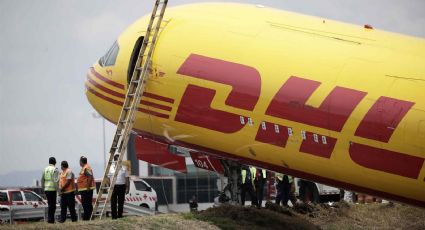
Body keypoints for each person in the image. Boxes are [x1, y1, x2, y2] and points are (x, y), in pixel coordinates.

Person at [108, 154, 130, 219]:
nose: (119, 161)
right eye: (117, 160)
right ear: (114, 160)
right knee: (113, 202)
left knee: (121, 202)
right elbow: (107, 178)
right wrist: (108, 187)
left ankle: (120, 215)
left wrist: (127, 188)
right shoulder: (110, 168)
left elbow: (127, 178)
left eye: (120, 160)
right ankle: (114, 217)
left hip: (122, 186)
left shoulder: (124, 167)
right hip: (113, 187)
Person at [41, 157, 59, 224]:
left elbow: (42, 180)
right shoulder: (55, 169)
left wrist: (43, 188)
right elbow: (55, 181)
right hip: (52, 189)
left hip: (46, 189)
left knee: (50, 205)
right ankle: (51, 220)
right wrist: (59, 191)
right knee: (53, 206)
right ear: (55, 162)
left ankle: (50, 219)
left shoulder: (45, 169)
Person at [77, 156, 95, 220]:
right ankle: (87, 217)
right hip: (84, 189)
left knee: (87, 203)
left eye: (79, 161)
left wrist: (87, 186)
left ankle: (88, 217)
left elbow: (90, 177)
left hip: (86, 189)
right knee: (85, 203)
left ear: (81, 162)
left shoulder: (87, 167)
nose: (79, 162)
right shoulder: (84, 168)